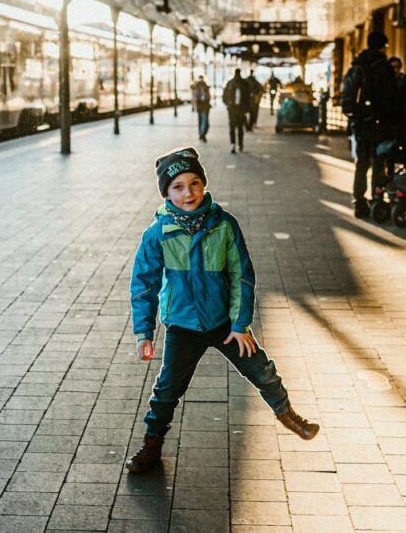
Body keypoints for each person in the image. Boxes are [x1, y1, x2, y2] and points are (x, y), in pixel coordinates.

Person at [125, 147, 319, 473]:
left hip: (225, 324)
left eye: (195, 183)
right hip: (183, 326)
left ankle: (288, 415)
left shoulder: (224, 226)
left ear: (204, 184)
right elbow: (143, 285)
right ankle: (151, 446)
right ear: (166, 192)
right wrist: (144, 331)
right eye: (178, 187)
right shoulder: (158, 234)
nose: (188, 193)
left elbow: (242, 276)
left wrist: (240, 324)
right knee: (166, 391)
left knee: (261, 369)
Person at [340, 31, 396, 217]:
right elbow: (390, 98)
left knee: (362, 163)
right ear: (383, 46)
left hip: (360, 122)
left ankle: (359, 201)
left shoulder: (358, 64)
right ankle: (376, 199)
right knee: (378, 162)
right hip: (378, 123)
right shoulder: (383, 67)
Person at [222, 69, 250, 154]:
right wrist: (246, 109)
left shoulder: (230, 83)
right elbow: (248, 97)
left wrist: (228, 104)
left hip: (232, 109)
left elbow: (224, 96)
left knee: (232, 127)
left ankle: (233, 144)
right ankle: (240, 144)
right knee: (240, 127)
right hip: (240, 109)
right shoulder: (244, 83)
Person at [191, 75, 211, 142]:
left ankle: (201, 134)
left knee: (203, 121)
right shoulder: (198, 87)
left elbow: (194, 98)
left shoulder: (202, 87)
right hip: (202, 107)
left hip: (202, 107)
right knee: (204, 121)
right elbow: (194, 97)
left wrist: (193, 106)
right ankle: (202, 134)